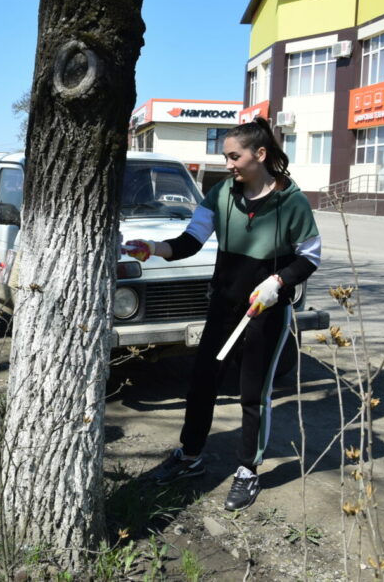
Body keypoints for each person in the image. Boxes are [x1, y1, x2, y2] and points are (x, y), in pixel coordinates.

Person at [124, 116, 321, 511]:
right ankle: (190, 456)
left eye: (234, 155)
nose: (228, 163)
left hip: (264, 312)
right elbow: (190, 241)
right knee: (201, 383)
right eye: (226, 156)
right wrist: (155, 248)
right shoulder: (221, 194)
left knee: (253, 394)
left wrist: (278, 283)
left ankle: (248, 470)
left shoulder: (292, 202)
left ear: (259, 154)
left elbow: (310, 257)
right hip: (224, 307)